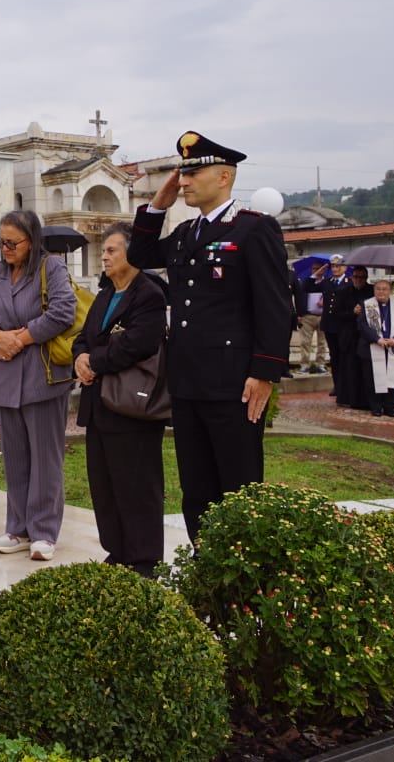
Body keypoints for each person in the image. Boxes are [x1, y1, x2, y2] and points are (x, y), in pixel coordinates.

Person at [127, 131, 291, 543]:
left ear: (223, 176)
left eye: (193, 172)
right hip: (188, 381)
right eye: (181, 172)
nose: (183, 180)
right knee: (196, 487)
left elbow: (274, 305)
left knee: (237, 484)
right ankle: (207, 571)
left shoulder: (254, 229)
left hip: (234, 383)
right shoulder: (185, 234)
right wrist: (157, 206)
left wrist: (265, 372)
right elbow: (141, 257)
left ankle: (243, 576)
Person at [73, 221, 170, 576]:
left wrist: (94, 360)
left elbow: (139, 342)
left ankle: (143, 559)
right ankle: (117, 550)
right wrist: (80, 357)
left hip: (134, 407)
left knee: (138, 485)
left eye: (112, 250)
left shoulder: (149, 293)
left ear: (132, 253)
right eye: (104, 250)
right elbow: (85, 336)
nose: (105, 256)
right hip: (99, 404)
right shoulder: (104, 293)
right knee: (105, 484)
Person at [0, 209, 74, 561]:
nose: (5, 248)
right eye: (0, 241)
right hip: (4, 376)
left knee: (45, 459)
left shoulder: (52, 268)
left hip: (42, 375)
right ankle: (17, 528)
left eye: (12, 242)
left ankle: (44, 532)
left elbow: (63, 311)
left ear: (31, 241)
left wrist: (22, 338)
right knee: (15, 458)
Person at [359, 278, 394, 417]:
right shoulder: (367, 304)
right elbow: (362, 325)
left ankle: (390, 406)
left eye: (384, 289)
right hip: (373, 347)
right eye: (378, 289)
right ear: (374, 291)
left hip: (393, 347)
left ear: (390, 291)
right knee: (373, 378)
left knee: (392, 377)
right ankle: (376, 406)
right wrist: (376, 339)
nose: (381, 292)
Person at [332, 266, 375, 410]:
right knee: (349, 368)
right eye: (356, 277)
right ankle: (348, 398)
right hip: (349, 335)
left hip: (367, 336)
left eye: (361, 277)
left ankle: (366, 399)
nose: (358, 280)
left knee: (366, 370)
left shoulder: (372, 291)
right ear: (351, 277)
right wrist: (352, 312)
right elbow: (336, 314)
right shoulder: (343, 291)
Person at [317, 256, 350, 400]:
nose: (335, 269)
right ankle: (337, 385)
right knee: (334, 357)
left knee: (345, 357)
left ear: (345, 268)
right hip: (330, 325)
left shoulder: (349, 283)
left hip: (344, 325)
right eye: (333, 266)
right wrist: (317, 275)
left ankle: (345, 386)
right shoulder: (327, 282)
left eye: (338, 266)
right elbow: (307, 287)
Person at [296, 262, 330, 374]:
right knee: (305, 342)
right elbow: (301, 290)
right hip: (308, 316)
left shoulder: (327, 282)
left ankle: (320, 364)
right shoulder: (307, 281)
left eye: (318, 268)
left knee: (322, 342)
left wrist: (325, 300)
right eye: (313, 268)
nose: (316, 270)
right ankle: (304, 364)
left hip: (323, 316)